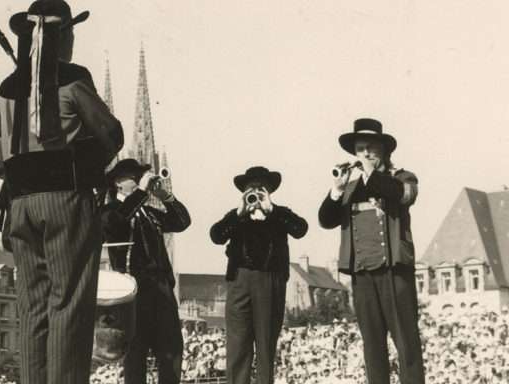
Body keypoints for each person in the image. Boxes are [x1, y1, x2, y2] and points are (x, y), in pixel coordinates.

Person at [0, 1, 124, 383]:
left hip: (20, 205)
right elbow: (111, 134)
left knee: (32, 307)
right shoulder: (73, 77)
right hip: (65, 199)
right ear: (61, 36)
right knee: (69, 303)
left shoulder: (7, 86)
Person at [318, 118, 425, 384]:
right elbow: (325, 219)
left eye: (370, 148)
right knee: (372, 346)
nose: (364, 153)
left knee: (407, 343)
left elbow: (402, 194)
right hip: (362, 275)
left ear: (384, 150)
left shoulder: (401, 177)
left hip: (394, 273)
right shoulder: (350, 189)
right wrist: (336, 190)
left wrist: (368, 174)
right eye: (359, 149)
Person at [210, 166, 308, 384]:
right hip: (239, 281)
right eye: (250, 189)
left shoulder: (280, 214)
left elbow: (300, 229)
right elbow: (216, 235)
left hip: (270, 280)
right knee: (237, 345)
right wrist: (238, 213)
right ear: (243, 192)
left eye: (260, 188)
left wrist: (271, 209)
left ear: (270, 191)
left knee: (265, 346)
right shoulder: (237, 217)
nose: (255, 193)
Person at [101, 158, 191, 384]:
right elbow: (117, 223)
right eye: (134, 176)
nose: (139, 180)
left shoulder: (149, 212)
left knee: (171, 349)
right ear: (118, 183)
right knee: (136, 353)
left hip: (160, 289)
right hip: (133, 290)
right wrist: (141, 191)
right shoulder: (108, 211)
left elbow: (181, 222)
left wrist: (166, 197)